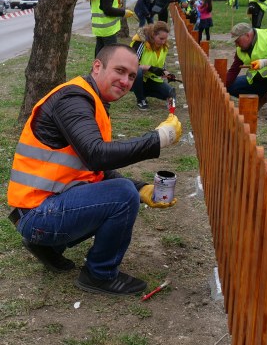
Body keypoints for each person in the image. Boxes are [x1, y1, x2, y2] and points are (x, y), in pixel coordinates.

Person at [7, 44, 182, 296]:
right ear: (97, 66)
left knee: (123, 190)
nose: (125, 81)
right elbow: (96, 155)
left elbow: (94, 168)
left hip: (37, 211)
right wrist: (158, 138)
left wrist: (141, 188)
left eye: (132, 76)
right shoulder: (73, 100)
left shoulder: (92, 101)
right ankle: (99, 275)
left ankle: (48, 246)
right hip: (38, 215)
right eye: (120, 71)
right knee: (121, 195)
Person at [226, 22, 267, 122]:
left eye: (237, 41)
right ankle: (262, 97)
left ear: (247, 35)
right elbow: (234, 69)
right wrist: (223, 86)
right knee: (231, 86)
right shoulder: (240, 48)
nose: (236, 44)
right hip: (259, 79)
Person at [130, 21, 175, 110]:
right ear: (153, 34)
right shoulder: (140, 43)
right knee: (137, 72)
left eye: (165, 39)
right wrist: (149, 68)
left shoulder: (164, 47)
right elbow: (131, 66)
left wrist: (166, 73)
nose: (163, 42)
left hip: (151, 79)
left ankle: (145, 92)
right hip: (136, 78)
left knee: (171, 92)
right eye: (161, 38)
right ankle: (141, 99)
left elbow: (161, 65)